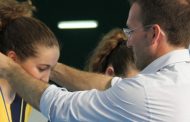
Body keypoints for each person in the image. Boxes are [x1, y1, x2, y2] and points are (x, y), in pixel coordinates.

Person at [0, 0, 190, 121]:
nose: (128, 41)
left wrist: (9, 67)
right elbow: (112, 85)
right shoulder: (176, 80)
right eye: (43, 68)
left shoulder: (148, 93)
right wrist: (50, 65)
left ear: (154, 34)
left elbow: (60, 105)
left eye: (131, 31)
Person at [0, 0, 60, 122]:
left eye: (51, 70)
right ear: (12, 59)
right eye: (42, 68)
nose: (46, 79)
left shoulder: (38, 106)